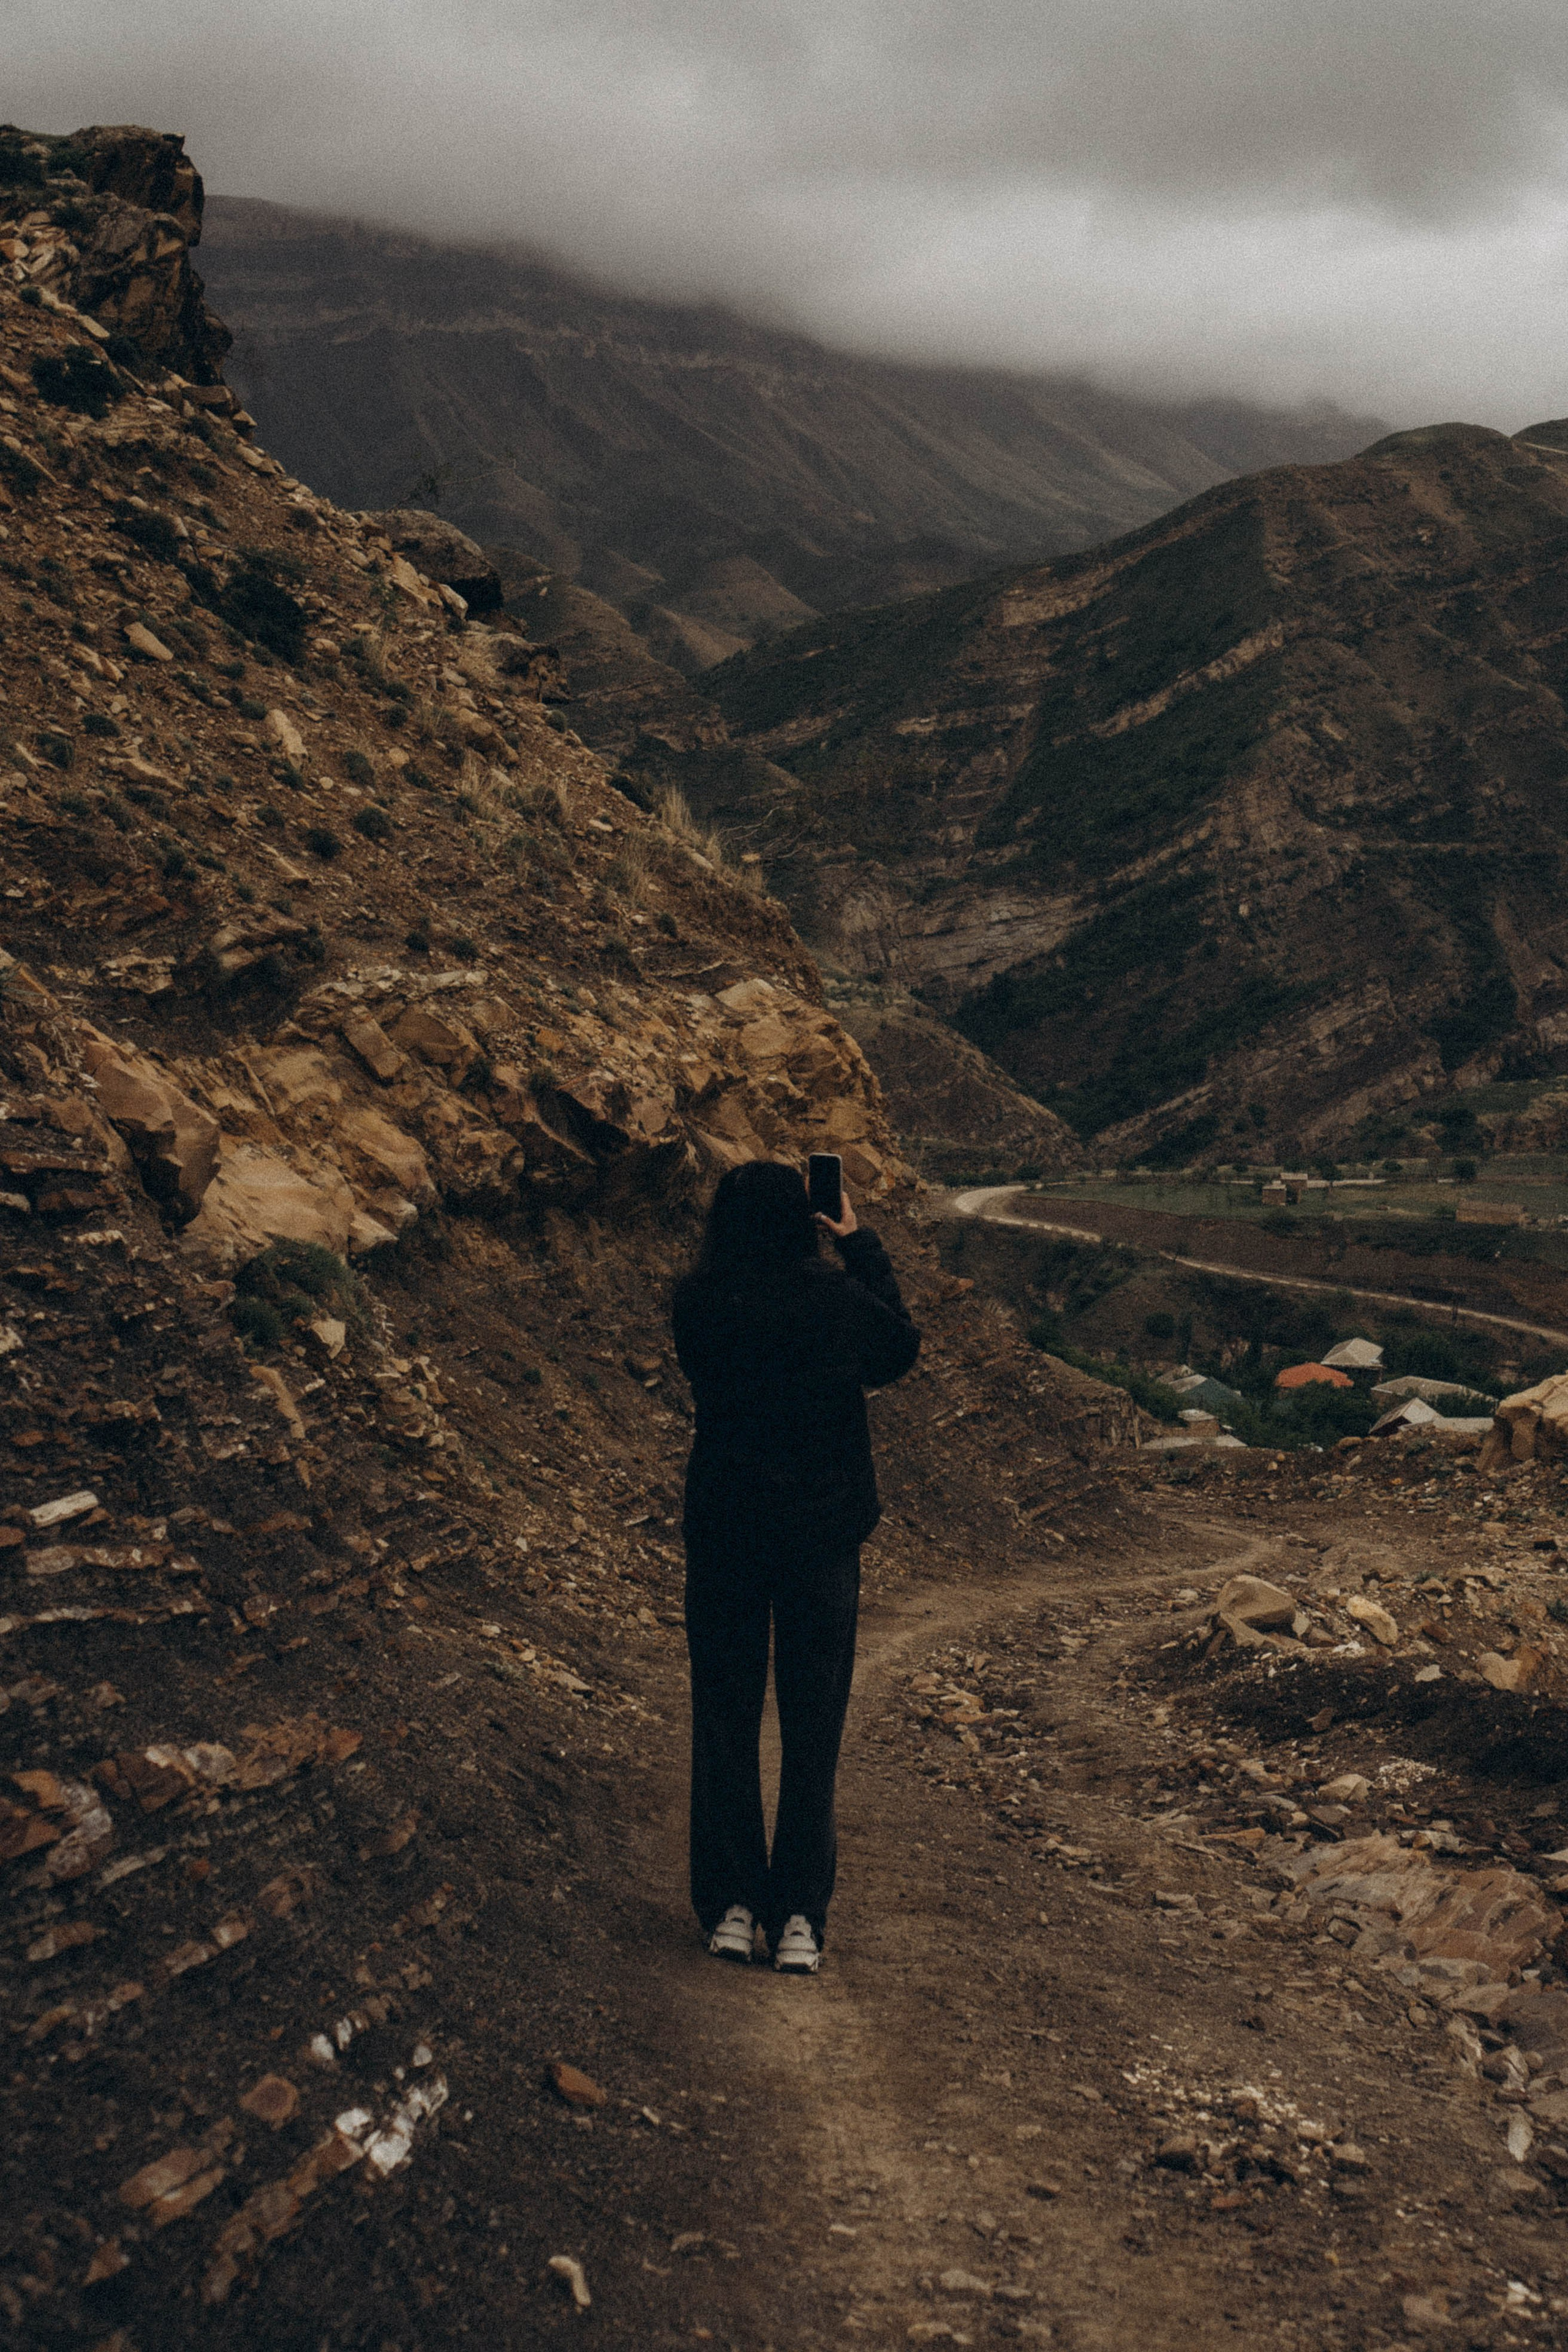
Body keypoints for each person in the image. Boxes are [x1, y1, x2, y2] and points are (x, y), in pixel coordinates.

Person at [671, 1158, 921, 1975]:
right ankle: (802, 1920)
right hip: (820, 1539)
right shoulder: (836, 1302)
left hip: (727, 1533)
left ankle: (734, 1907)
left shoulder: (698, 1303)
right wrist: (860, 1244)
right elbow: (898, 1349)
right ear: (803, 1218)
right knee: (815, 1729)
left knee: (726, 1718)